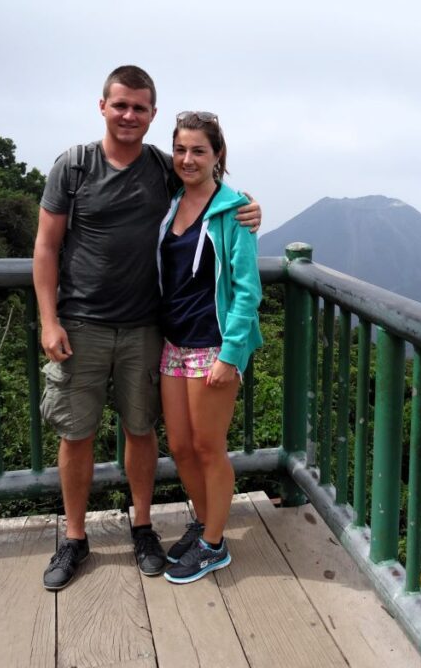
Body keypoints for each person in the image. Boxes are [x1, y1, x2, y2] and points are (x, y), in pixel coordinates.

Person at [33, 67, 261, 591]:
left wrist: (249, 208)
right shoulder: (75, 166)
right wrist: (49, 320)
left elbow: (219, 205)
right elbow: (46, 246)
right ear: (103, 106)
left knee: (146, 432)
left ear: (152, 114)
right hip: (86, 325)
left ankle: (146, 527)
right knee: (80, 433)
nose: (129, 115)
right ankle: (74, 537)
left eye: (139, 108)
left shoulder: (163, 170)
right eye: (121, 106)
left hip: (149, 330)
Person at [155, 111, 262, 584]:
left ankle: (214, 545)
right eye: (180, 149)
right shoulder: (171, 201)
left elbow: (246, 290)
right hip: (172, 342)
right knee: (179, 446)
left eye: (199, 150)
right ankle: (204, 523)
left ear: (218, 154)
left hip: (212, 344)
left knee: (207, 447)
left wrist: (231, 354)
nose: (187, 158)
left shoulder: (234, 211)